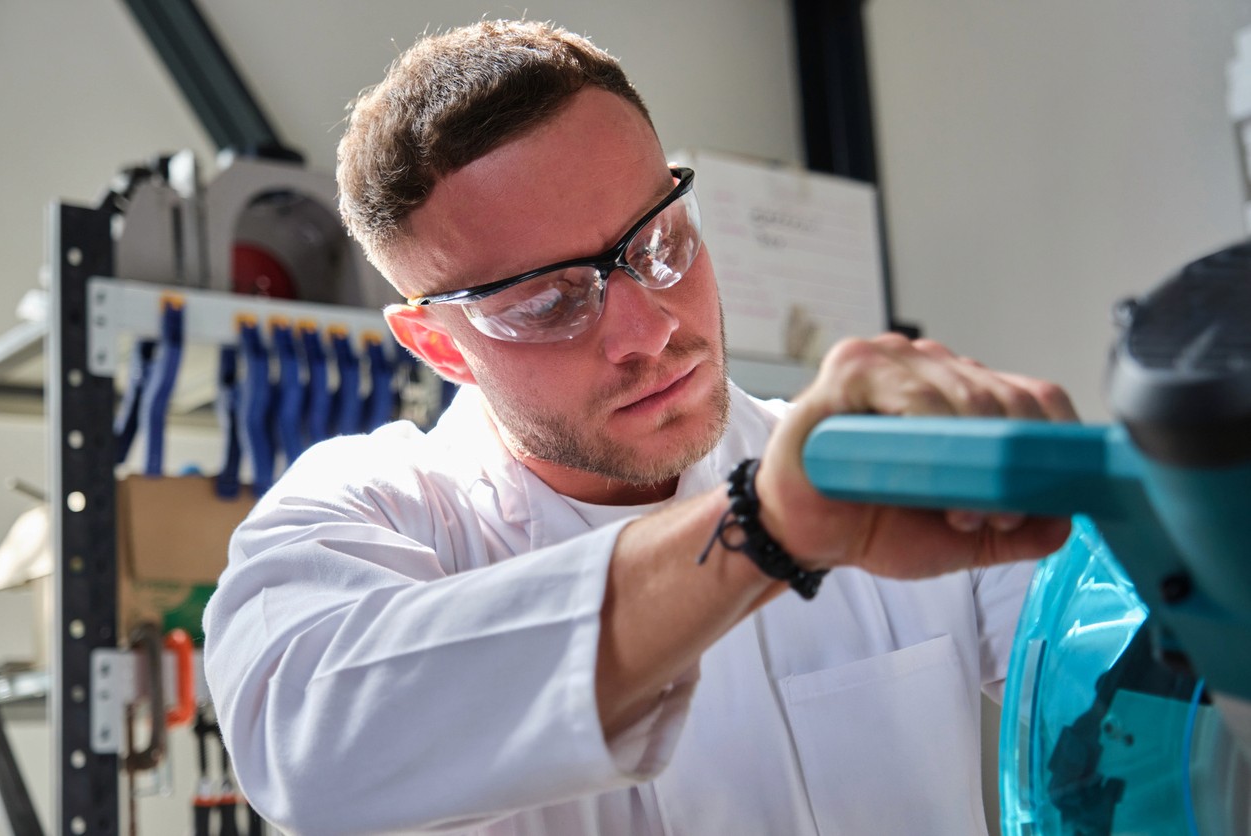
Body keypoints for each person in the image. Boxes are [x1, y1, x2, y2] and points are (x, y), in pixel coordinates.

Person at [203, 19, 1076, 836]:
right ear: (440, 345)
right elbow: (310, 747)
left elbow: (1134, 691)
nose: (648, 330)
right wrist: (763, 531)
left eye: (660, 245)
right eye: (546, 302)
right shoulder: (373, 517)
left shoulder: (874, 474)